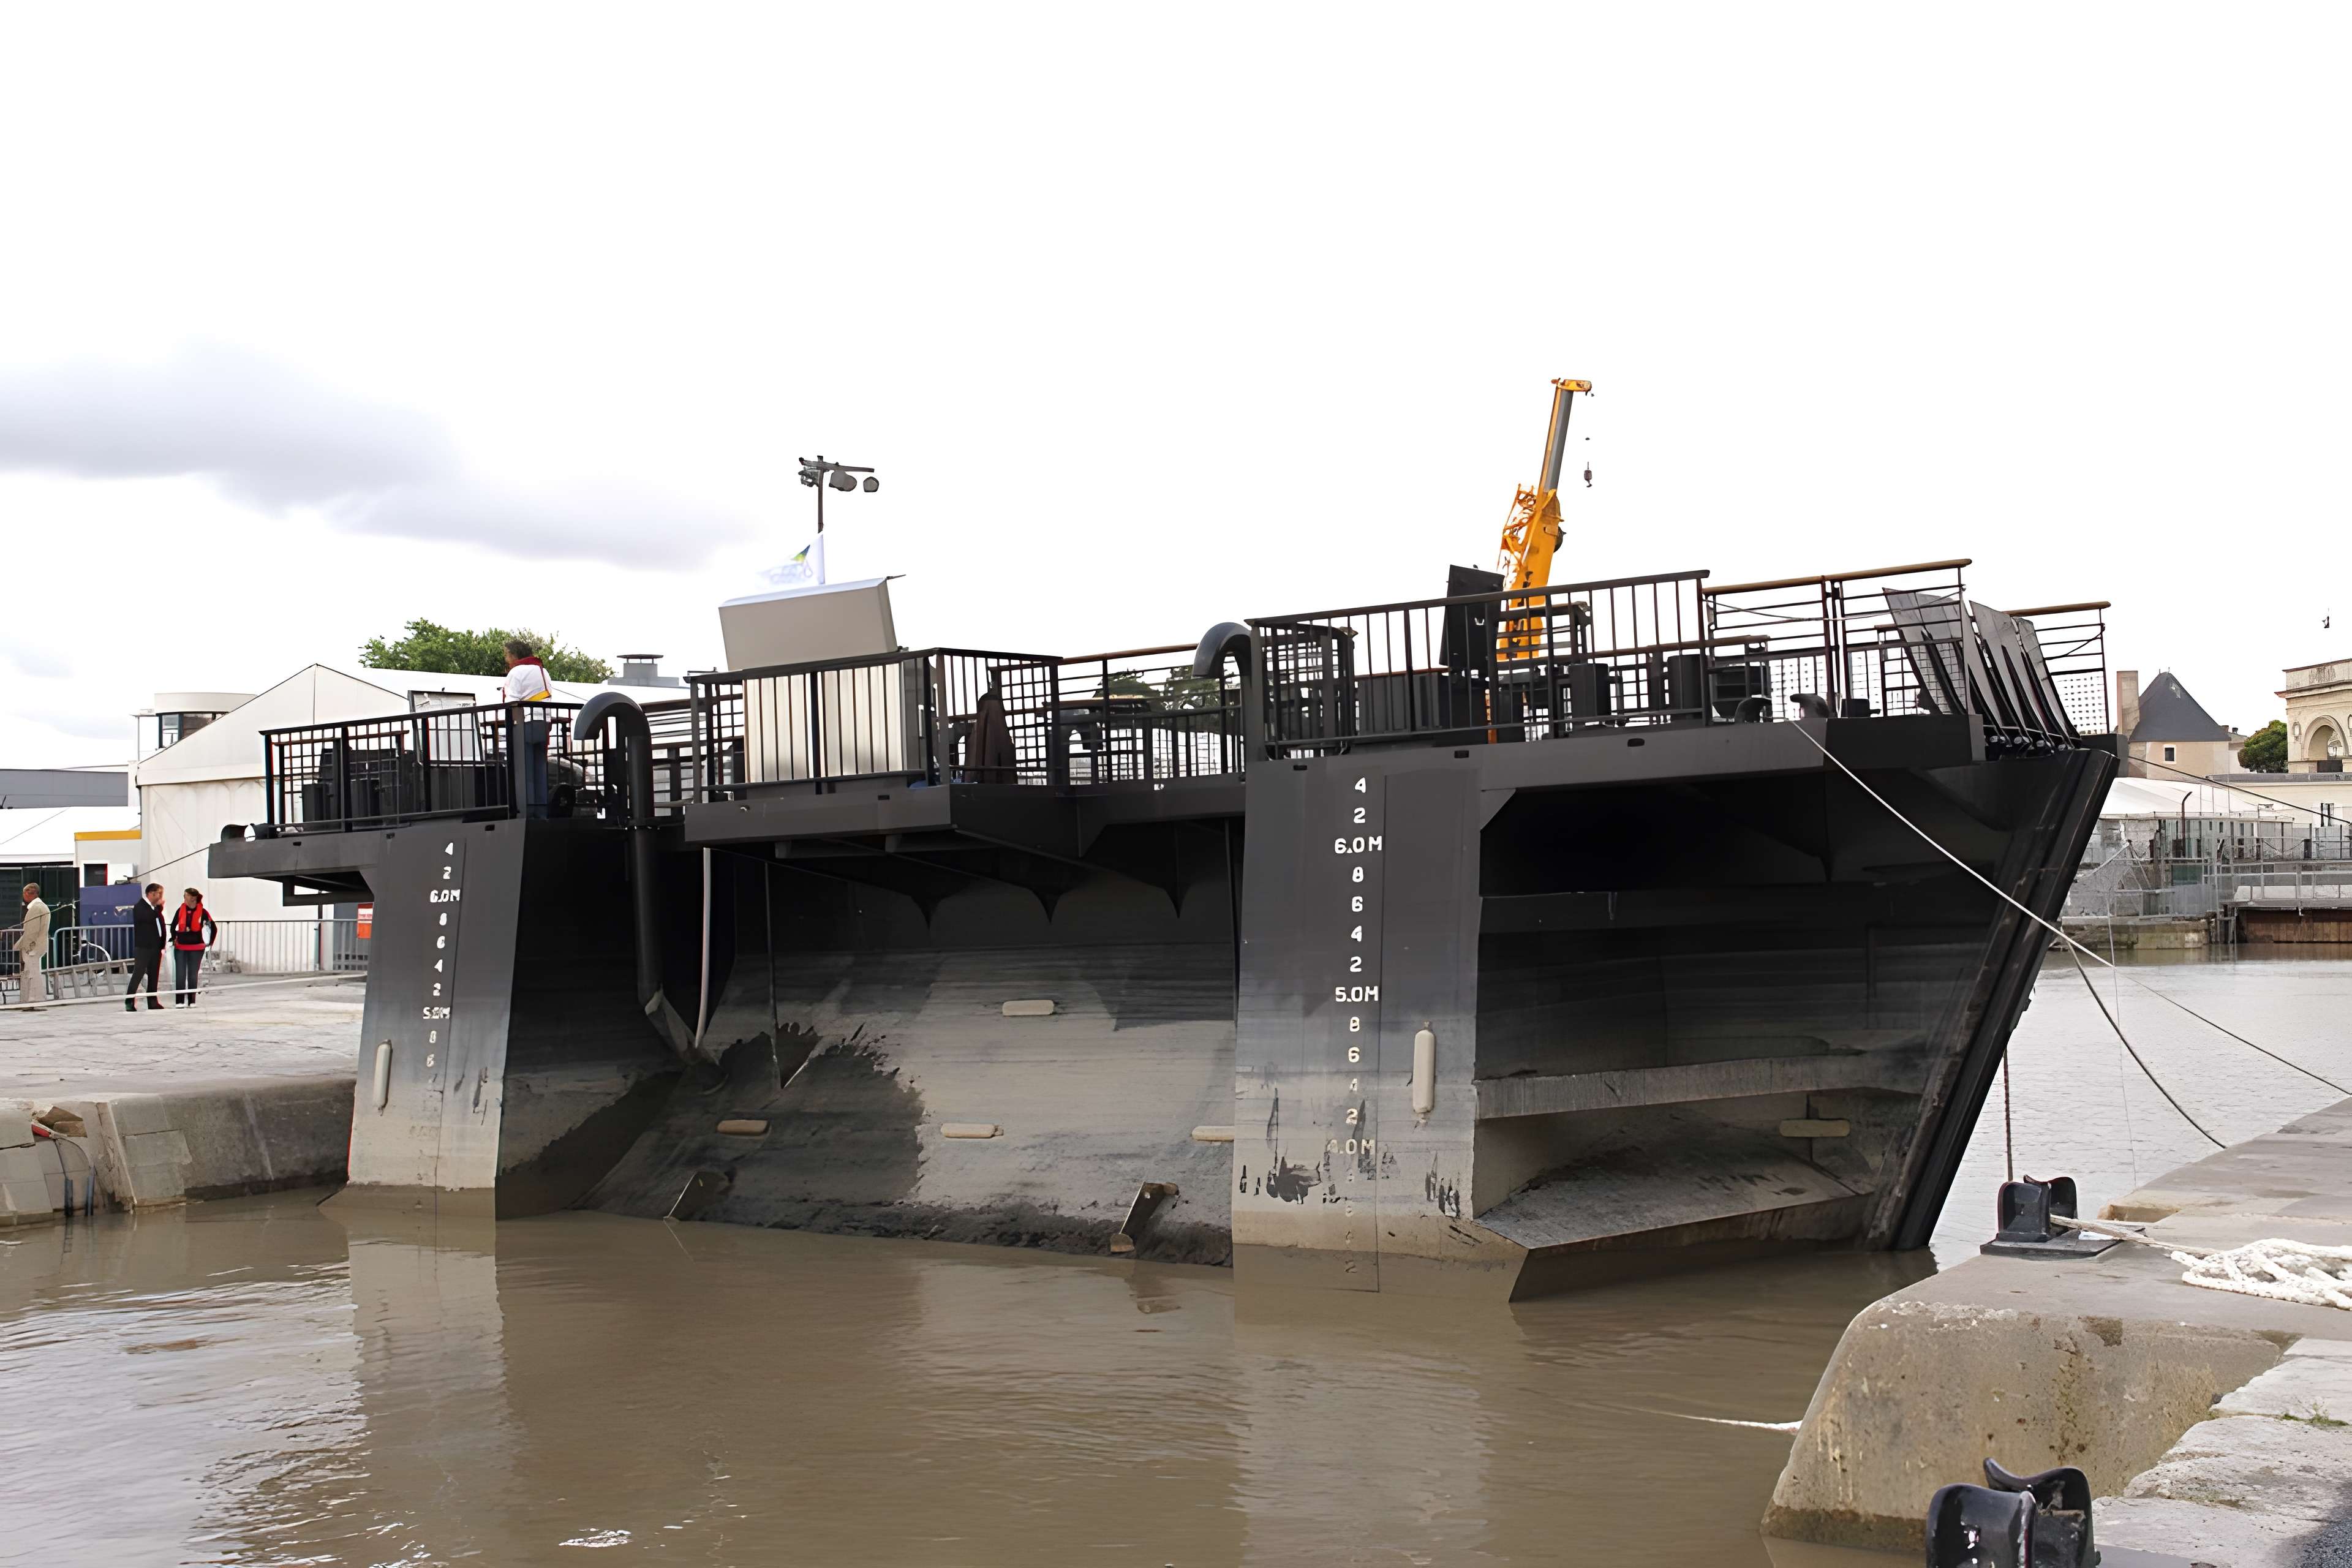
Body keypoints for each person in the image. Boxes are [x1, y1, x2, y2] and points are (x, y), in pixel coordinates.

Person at [170, 887, 217, 1006]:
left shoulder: (204, 913)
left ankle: (192, 1001)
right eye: (185, 896)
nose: (186, 898)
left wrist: (209, 944)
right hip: (181, 947)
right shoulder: (180, 910)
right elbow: (173, 926)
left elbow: (213, 928)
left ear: (193, 898)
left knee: (193, 975)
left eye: (187, 896)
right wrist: (174, 937)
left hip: (197, 948)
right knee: (180, 975)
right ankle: (179, 1001)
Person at [126, 883, 168, 1011]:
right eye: (159, 894)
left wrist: (162, 943)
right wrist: (159, 909)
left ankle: (153, 1001)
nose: (160, 897)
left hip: (155, 947)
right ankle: (129, 1001)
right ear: (151, 894)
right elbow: (148, 918)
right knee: (138, 974)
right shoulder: (140, 907)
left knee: (154, 975)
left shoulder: (155, 909)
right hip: (144, 947)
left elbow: (160, 925)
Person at [14, 883, 49, 1005]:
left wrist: (27, 946)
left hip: (33, 947)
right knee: (34, 972)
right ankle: (35, 997)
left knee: (33, 974)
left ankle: (36, 998)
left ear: (30, 894)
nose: (24, 897)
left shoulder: (36, 908)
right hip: (39, 945)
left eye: (24, 894)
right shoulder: (42, 907)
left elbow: (32, 931)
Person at [501, 639, 554, 704]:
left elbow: (512, 703)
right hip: (545, 713)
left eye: (506, 655)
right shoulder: (543, 671)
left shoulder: (516, 672)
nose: (506, 659)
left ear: (513, 655)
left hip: (526, 713)